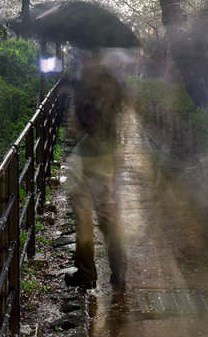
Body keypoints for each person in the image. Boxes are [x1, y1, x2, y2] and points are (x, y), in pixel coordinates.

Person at [65, 49, 127, 290]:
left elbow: (79, 124)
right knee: (109, 215)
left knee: (83, 216)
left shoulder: (86, 85)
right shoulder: (115, 82)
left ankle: (87, 272)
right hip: (110, 153)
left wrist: (77, 121)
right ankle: (119, 270)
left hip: (89, 157)